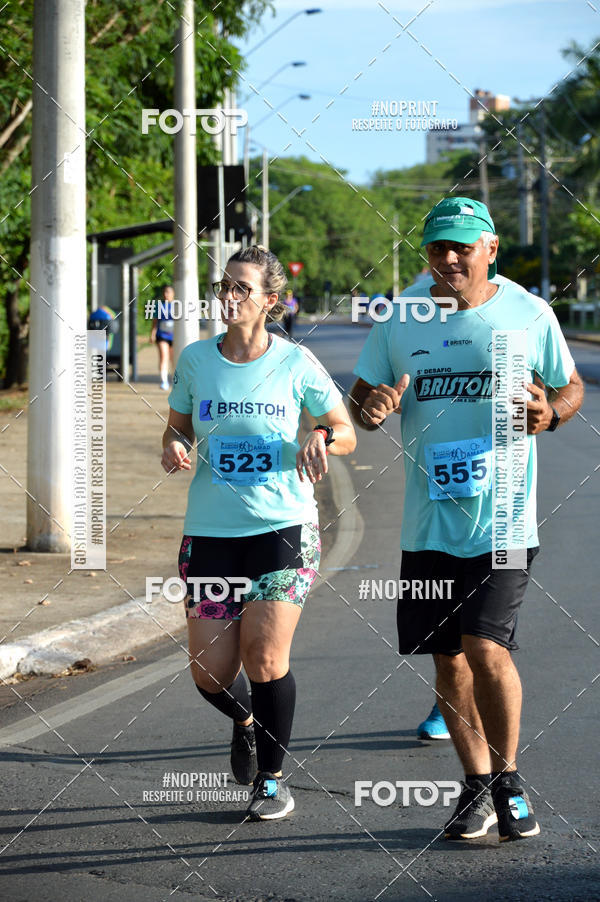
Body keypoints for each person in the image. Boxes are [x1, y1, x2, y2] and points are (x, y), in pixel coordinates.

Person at [350, 197, 583, 842]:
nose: (447, 260)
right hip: (428, 521)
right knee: (448, 661)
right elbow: (362, 393)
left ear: (490, 250)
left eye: (460, 248)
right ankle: (476, 785)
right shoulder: (401, 316)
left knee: (487, 646)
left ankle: (508, 779)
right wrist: (373, 407)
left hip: (505, 517)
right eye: (435, 249)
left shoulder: (529, 313)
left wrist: (552, 413)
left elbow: (568, 386)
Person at [161, 245, 356, 821]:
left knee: (265, 656)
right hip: (213, 534)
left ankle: (272, 779)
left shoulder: (296, 363)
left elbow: (344, 428)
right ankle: (247, 722)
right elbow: (176, 427)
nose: (229, 296)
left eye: (242, 288)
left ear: (270, 301)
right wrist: (174, 445)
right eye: (225, 285)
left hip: (283, 530)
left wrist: (321, 438)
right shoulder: (196, 361)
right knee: (209, 673)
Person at [151, 284, 175, 390]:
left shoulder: (177, 305)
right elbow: (155, 321)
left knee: (173, 359)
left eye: (168, 292)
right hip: (162, 335)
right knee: (164, 356)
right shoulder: (159, 306)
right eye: (165, 292)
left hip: (175, 337)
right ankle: (164, 381)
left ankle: (176, 380)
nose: (166, 294)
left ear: (173, 293)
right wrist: (152, 334)